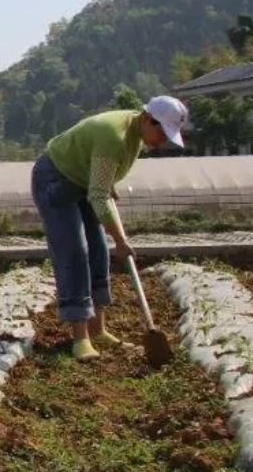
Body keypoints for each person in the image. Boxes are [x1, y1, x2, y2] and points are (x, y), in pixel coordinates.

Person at [32, 96, 187, 360]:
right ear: (148, 118)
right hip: (56, 180)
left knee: (98, 251)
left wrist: (106, 185)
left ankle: (98, 330)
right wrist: (121, 239)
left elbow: (101, 177)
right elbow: (99, 195)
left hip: (83, 183)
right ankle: (80, 339)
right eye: (162, 132)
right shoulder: (114, 135)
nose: (163, 139)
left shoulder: (135, 135)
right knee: (75, 252)